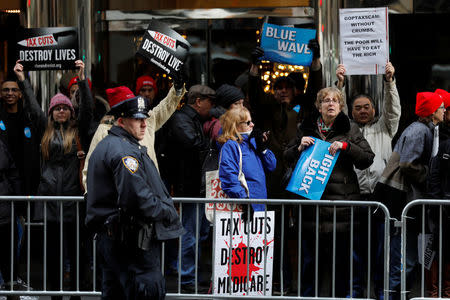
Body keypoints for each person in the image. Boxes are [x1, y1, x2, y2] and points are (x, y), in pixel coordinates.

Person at [85, 86, 183, 299]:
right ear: (121, 122)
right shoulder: (123, 151)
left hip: (117, 236)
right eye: (137, 119)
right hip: (131, 238)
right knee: (145, 288)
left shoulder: (116, 145)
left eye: (144, 118)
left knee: (116, 290)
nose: (144, 123)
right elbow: (136, 198)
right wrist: (166, 211)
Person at [284, 87, 374, 297]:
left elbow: (367, 158)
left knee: (341, 266)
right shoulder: (305, 128)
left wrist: (346, 146)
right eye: (326, 100)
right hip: (310, 211)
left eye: (335, 100)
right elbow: (286, 156)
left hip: (340, 211)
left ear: (341, 106)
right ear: (319, 106)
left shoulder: (350, 128)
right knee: (309, 265)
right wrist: (298, 148)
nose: (330, 104)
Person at [337, 62, 401, 299]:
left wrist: (389, 82)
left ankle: (381, 294)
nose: (363, 111)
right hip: (354, 199)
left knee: (381, 252)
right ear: (352, 113)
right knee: (354, 252)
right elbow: (338, 111)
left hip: (380, 201)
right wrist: (340, 85)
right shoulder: (347, 130)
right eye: (358, 108)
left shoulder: (386, 128)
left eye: (367, 107)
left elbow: (393, 109)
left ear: (374, 109)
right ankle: (355, 293)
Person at [31, 60, 93, 300]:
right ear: (51, 112)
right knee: (53, 254)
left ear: (70, 111)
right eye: (56, 108)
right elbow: (34, 107)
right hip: (49, 203)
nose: (61, 111)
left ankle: (75, 294)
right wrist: (23, 79)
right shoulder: (43, 131)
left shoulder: (79, 130)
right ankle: (56, 295)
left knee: (76, 252)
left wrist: (81, 78)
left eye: (65, 108)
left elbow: (87, 109)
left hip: (72, 202)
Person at [377, 92, 445, 300]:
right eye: (441, 107)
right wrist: (430, 175)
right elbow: (408, 164)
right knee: (401, 254)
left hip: (405, 197)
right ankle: (395, 295)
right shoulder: (419, 130)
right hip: (400, 197)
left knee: (404, 254)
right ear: (432, 112)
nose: (444, 111)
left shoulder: (425, 129)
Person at [81, 76, 186, 191]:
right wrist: (94, 198)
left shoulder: (147, 121)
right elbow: (91, 169)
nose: (143, 124)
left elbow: (164, 108)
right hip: (120, 200)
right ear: (120, 114)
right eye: (129, 108)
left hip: (150, 197)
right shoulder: (104, 130)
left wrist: (177, 90)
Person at [165, 84, 215, 292]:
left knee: (199, 233)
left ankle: (193, 274)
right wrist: (212, 143)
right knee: (190, 234)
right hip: (189, 186)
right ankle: (187, 278)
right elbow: (193, 145)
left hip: (197, 186)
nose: (212, 108)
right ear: (198, 101)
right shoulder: (181, 120)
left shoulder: (193, 120)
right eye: (210, 102)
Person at [217, 107, 276, 213]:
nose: (252, 124)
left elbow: (271, 166)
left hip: (259, 205)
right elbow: (229, 176)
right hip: (242, 208)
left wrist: (262, 147)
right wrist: (244, 201)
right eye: (248, 122)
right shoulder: (231, 146)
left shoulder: (252, 142)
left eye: (251, 121)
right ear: (236, 126)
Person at [0, 61, 46, 195]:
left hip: (28, 181)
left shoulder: (29, 117)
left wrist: (22, 79)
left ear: (20, 94)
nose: (10, 93)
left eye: (14, 90)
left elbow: (38, 114)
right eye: (6, 90)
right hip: (5, 182)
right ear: (1, 94)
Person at [427, 88, 450, 298]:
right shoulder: (444, 144)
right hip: (443, 206)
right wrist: (436, 202)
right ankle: (436, 292)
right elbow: (434, 175)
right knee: (439, 247)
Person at [0, 138, 21, 300]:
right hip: (6, 206)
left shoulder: (1, 144)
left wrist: (17, 201)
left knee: (9, 254)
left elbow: (12, 172)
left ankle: (12, 289)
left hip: (5, 209)